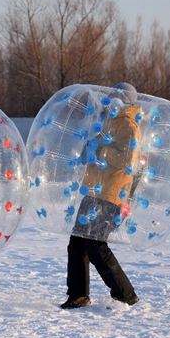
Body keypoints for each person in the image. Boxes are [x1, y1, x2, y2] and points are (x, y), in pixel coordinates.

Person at [61, 83, 142, 309]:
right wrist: (88, 151)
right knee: (77, 242)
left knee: (96, 245)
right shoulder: (109, 121)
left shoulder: (128, 124)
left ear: (125, 99)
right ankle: (78, 295)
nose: (110, 98)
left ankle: (125, 294)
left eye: (115, 95)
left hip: (111, 194)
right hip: (95, 190)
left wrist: (99, 150)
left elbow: (128, 159)